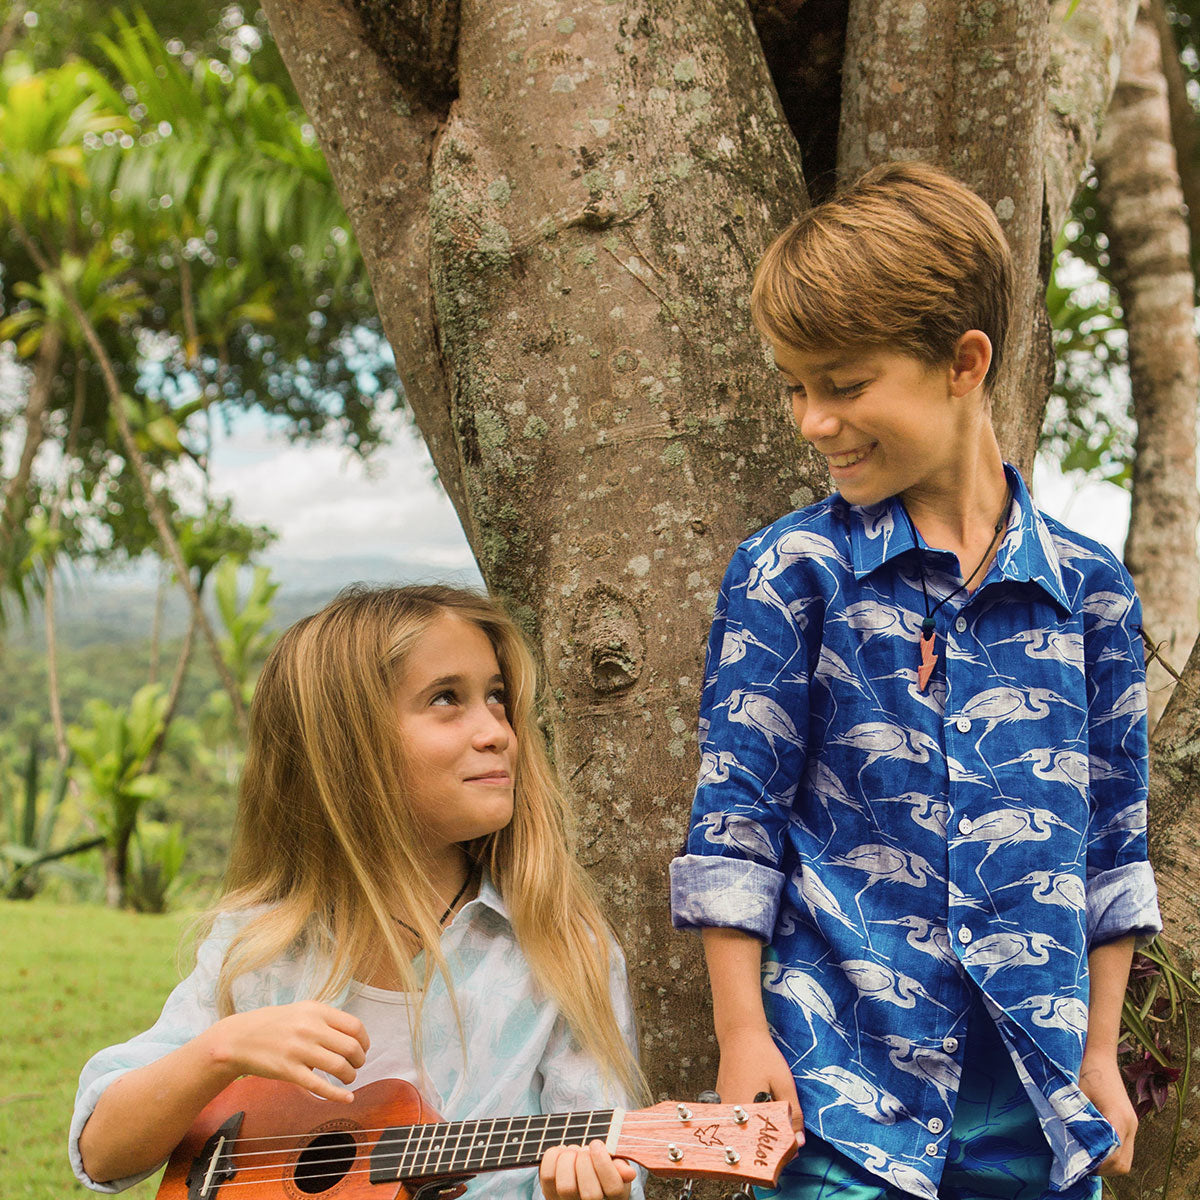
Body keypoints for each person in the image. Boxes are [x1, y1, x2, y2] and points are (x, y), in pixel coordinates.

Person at [669, 162, 1162, 1200]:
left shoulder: (1092, 595)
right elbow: (735, 827)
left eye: (844, 386)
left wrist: (1102, 1056)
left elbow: (1114, 844)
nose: (812, 420)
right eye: (795, 387)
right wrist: (741, 1037)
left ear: (963, 362)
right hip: (842, 1099)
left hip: (1039, 1109)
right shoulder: (789, 574)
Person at [71, 584, 644, 1200]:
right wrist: (221, 1049)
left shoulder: (558, 951)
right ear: (348, 745)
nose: (497, 731)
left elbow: (610, 1156)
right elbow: (103, 1153)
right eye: (447, 699)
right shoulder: (266, 945)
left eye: (497, 697)